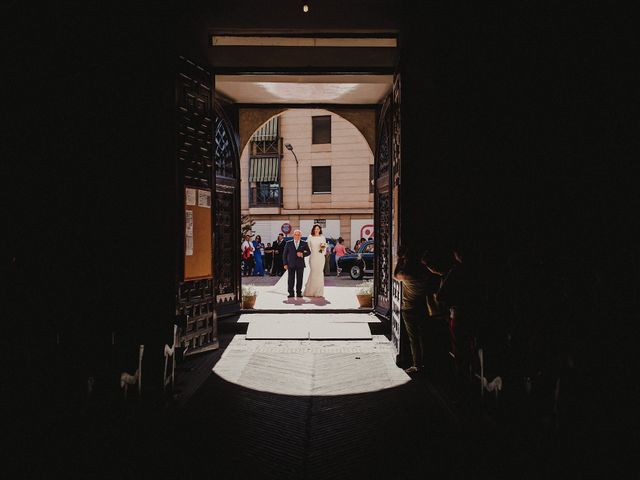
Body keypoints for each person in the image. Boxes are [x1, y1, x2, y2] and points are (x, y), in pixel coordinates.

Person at [393, 246, 430, 375]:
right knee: (423, 336)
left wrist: (400, 259)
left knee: (413, 338)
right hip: (422, 307)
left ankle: (417, 364)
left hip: (409, 308)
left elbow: (395, 275)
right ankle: (426, 363)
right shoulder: (424, 272)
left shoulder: (408, 274)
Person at [282, 229, 311, 298]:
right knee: (290, 279)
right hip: (290, 264)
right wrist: (285, 264)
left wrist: (302, 254)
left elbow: (309, 252)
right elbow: (284, 254)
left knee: (300, 279)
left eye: (298, 235)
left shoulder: (304, 243)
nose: (297, 236)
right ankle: (291, 293)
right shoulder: (288, 243)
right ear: (293, 235)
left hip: (300, 264)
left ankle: (299, 293)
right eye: (296, 234)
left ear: (300, 236)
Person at [303, 224, 327, 297]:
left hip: (320, 257)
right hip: (312, 257)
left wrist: (320, 252)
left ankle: (318, 292)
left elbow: (323, 248)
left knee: (319, 273)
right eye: (315, 229)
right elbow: (306, 247)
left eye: (318, 229)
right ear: (313, 229)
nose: (317, 230)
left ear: (320, 230)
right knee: (313, 272)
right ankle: (310, 291)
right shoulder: (310, 237)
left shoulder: (322, 237)